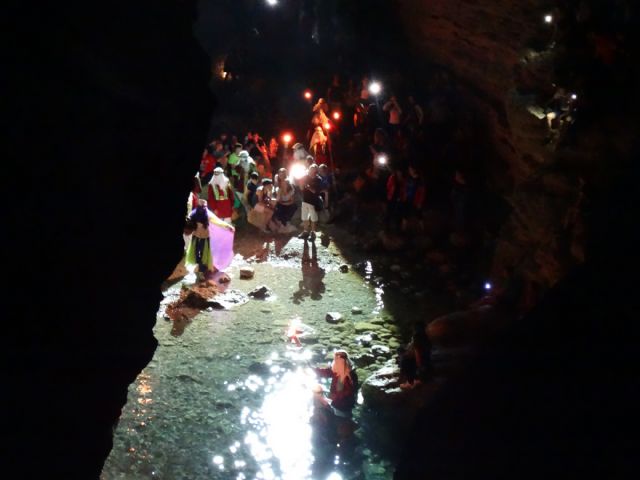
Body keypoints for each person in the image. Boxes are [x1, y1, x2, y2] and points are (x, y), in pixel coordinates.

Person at [185, 199, 235, 281]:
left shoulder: (196, 214)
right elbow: (218, 222)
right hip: (201, 238)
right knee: (201, 255)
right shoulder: (202, 215)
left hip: (200, 238)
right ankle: (201, 271)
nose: (202, 209)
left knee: (200, 254)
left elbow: (217, 222)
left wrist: (227, 226)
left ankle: (201, 270)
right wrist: (228, 226)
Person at [312, 350, 359, 417]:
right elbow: (327, 372)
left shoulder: (349, 376)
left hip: (343, 406)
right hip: (337, 403)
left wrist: (331, 399)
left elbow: (349, 392)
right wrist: (314, 370)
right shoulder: (337, 370)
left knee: (342, 419)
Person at [299, 164, 323, 241]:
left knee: (313, 218)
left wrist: (308, 187)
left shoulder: (318, 179)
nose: (310, 170)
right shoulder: (306, 177)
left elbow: (315, 191)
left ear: (315, 170)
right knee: (304, 217)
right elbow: (302, 188)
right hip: (305, 200)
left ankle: (313, 233)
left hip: (313, 201)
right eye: (310, 169)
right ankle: (305, 232)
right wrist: (301, 183)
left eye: (313, 169)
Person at [273, 168, 298, 233]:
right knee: (280, 208)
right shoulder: (279, 188)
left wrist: (286, 203)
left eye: (283, 174)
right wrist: (285, 203)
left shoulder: (290, 188)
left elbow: (292, 201)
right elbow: (279, 200)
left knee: (293, 207)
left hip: (288, 204)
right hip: (281, 203)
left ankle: (285, 223)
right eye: (280, 174)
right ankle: (284, 224)